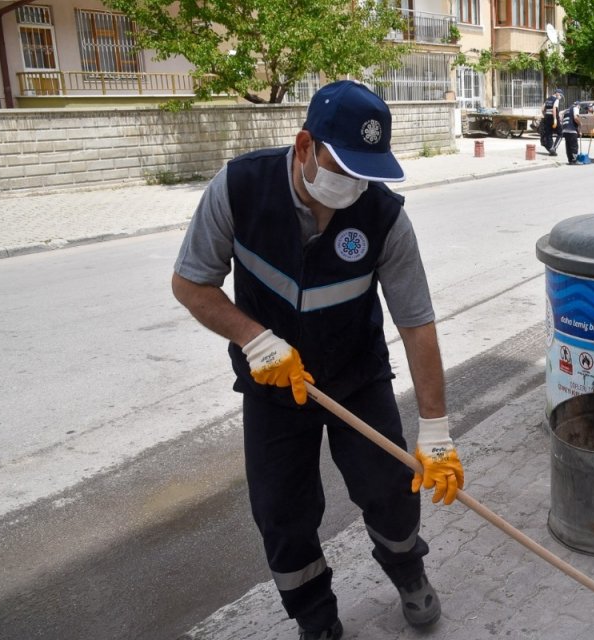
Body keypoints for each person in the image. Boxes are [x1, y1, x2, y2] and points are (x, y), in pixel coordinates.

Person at [170, 80, 465, 640]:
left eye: (366, 171)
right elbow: (191, 283)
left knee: (390, 493)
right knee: (282, 515)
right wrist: (255, 339)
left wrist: (437, 428)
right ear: (304, 145)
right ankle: (317, 619)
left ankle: (409, 573)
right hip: (274, 385)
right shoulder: (239, 189)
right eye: (343, 166)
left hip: (357, 379)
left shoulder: (383, 217)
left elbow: (416, 324)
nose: (354, 184)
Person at [541, 88, 563, 156]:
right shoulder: (556, 99)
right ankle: (554, 148)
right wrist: (555, 119)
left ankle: (551, 149)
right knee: (560, 133)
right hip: (553, 118)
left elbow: (542, 109)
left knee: (549, 134)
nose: (560, 97)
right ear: (557, 93)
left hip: (547, 117)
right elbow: (554, 109)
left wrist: (545, 115)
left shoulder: (548, 99)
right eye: (560, 95)